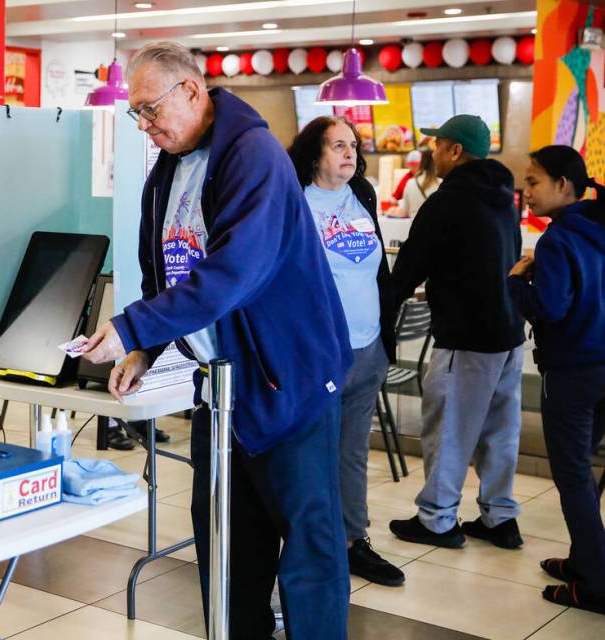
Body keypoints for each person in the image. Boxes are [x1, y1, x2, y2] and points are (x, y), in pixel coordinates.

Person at [81, 42, 352, 639]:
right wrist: (144, 348)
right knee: (229, 547)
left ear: (192, 90)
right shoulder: (168, 169)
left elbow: (236, 271)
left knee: (309, 550)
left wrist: (132, 325)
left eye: (152, 110)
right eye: (138, 115)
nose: (147, 127)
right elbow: (164, 271)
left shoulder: (251, 155)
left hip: (286, 379)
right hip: (221, 389)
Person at [389, 115, 525, 550]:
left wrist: (381, 313)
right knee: (500, 431)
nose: (431, 153)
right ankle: (500, 517)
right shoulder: (504, 197)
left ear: (454, 151)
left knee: (448, 427)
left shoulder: (448, 201)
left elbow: (409, 266)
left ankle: (437, 519)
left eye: (437, 145)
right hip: (508, 332)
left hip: (467, 336)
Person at [287, 116, 403, 587]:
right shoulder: (295, 202)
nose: (349, 153)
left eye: (353, 145)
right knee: (311, 455)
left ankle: (354, 541)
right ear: (314, 154)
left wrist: (383, 340)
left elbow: (374, 271)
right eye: (337, 145)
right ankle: (309, 545)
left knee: (353, 454)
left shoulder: (364, 195)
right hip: (320, 353)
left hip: (368, 347)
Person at [508, 145, 605, 615]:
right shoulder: (599, 225)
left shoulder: (557, 240)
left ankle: (595, 585)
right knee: (582, 472)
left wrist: (516, 281)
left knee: (572, 477)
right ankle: (585, 560)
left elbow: (551, 308)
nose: (525, 192)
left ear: (562, 185)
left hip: (571, 371)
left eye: (533, 181)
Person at [399, 149, 439, 217]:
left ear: (421, 163)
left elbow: (405, 210)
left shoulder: (410, 183)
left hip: (416, 225)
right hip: (436, 225)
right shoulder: (441, 183)